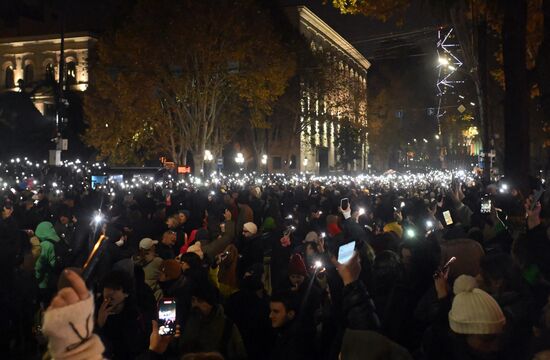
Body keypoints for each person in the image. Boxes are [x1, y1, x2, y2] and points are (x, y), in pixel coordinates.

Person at [178, 280, 247, 359]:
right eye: (193, 300)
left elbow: (240, 354)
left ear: (211, 303)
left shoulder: (227, 327)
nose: (195, 304)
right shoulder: (186, 321)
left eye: (201, 301)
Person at [96, 270, 151, 359]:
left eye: (116, 289)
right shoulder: (94, 310)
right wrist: (99, 324)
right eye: (107, 287)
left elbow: (135, 347)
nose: (110, 292)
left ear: (126, 293)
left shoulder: (134, 315)